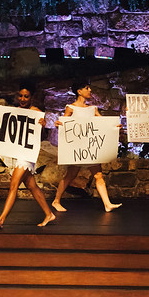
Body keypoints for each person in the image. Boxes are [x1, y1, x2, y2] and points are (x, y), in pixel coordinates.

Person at [0, 82, 56, 228]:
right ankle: (49, 214)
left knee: (13, 186)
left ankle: (1, 219)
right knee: (32, 186)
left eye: (26, 96)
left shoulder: (35, 112)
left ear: (31, 97)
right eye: (20, 95)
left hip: (27, 155)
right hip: (18, 154)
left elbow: (41, 137)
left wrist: (43, 126)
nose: (23, 99)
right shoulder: (16, 111)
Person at [51, 79, 122, 213]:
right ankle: (56, 200)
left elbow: (102, 124)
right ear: (79, 91)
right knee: (70, 175)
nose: (90, 90)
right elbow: (64, 123)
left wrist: (114, 126)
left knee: (98, 175)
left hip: (90, 148)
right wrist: (59, 124)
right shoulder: (70, 107)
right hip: (78, 148)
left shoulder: (92, 109)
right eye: (87, 88)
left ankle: (107, 204)